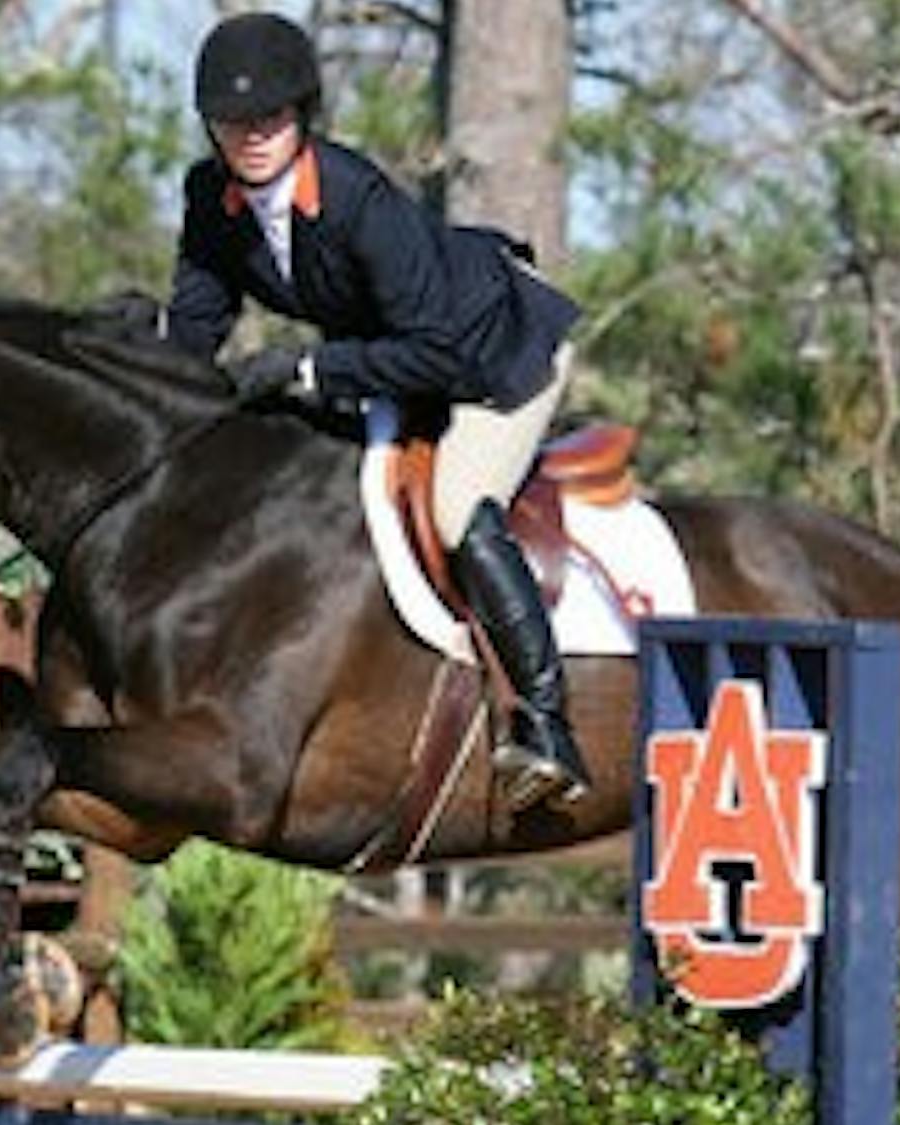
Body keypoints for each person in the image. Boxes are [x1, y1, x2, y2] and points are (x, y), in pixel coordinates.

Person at [162, 10, 590, 813]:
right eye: (231, 122)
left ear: (302, 114)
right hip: (397, 363)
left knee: (461, 508)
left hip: (493, 356)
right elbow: (192, 334)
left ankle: (545, 722)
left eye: (270, 118)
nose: (251, 136)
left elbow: (437, 353)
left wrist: (306, 365)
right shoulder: (209, 199)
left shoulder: (357, 199)